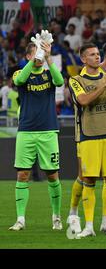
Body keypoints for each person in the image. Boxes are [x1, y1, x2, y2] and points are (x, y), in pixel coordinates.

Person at [68, 42, 106, 238]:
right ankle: (88, 226)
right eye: (91, 55)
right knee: (89, 180)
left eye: (97, 54)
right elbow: (84, 100)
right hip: (89, 134)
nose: (96, 57)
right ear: (83, 59)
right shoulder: (76, 80)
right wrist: (105, 82)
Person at [9, 39, 64, 231]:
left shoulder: (49, 74)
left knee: (52, 175)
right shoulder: (20, 72)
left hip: (48, 131)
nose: (39, 57)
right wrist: (33, 62)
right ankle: (20, 219)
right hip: (26, 132)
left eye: (41, 53)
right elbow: (19, 81)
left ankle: (56, 217)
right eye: (36, 53)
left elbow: (60, 81)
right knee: (22, 174)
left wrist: (48, 57)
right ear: (27, 56)